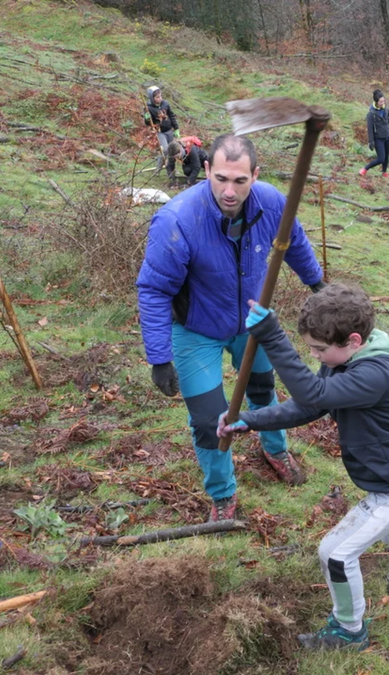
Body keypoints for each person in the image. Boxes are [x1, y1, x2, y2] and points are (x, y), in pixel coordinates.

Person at [217, 284, 389, 651]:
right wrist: (250, 420)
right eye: (310, 349)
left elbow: (314, 395)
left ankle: (349, 630)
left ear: (354, 340)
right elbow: (309, 407)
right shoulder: (346, 362)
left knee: (335, 554)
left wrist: (273, 337)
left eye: (320, 349)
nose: (316, 357)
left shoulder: (375, 374)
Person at [136, 134, 326, 522]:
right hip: (195, 329)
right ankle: (222, 495)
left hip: (251, 323)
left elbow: (295, 242)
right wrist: (159, 356)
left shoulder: (271, 203)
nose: (229, 190)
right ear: (206, 169)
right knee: (209, 420)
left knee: (262, 390)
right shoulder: (177, 220)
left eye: (240, 181)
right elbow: (154, 290)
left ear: (255, 175)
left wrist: (318, 286)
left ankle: (275, 449)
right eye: (220, 178)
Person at [360, 90, 389, 178]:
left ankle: (384, 172)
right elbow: (370, 128)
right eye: (381, 101)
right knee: (381, 158)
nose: (383, 103)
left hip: (388, 136)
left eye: (383, 101)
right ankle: (365, 169)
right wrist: (371, 141)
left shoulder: (386, 109)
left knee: (386, 157)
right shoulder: (371, 114)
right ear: (376, 102)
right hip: (378, 138)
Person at [144, 86, 180, 172]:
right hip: (160, 132)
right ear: (152, 98)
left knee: (172, 150)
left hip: (169, 130)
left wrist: (176, 129)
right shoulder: (148, 108)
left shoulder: (165, 104)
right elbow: (148, 123)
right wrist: (147, 118)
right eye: (157, 97)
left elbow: (171, 116)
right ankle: (158, 169)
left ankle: (172, 169)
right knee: (165, 149)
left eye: (160, 96)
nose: (160, 98)